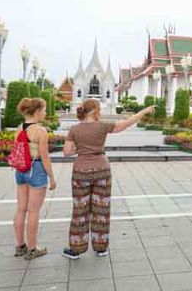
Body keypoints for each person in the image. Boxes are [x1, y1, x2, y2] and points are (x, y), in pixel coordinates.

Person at [62, 99, 154, 259]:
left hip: (80, 172)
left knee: (80, 210)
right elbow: (126, 123)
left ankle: (76, 249)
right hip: (102, 170)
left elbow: (67, 152)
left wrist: (80, 148)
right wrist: (144, 111)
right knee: (101, 209)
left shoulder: (74, 129)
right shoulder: (103, 126)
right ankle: (100, 247)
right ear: (94, 111)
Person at [13, 97, 57, 260]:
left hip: (21, 170)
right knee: (33, 211)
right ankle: (32, 248)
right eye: (44, 110)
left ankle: (20, 246)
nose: (45, 113)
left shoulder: (19, 129)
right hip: (36, 169)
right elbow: (45, 158)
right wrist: (52, 178)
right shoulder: (40, 131)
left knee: (21, 209)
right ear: (38, 112)